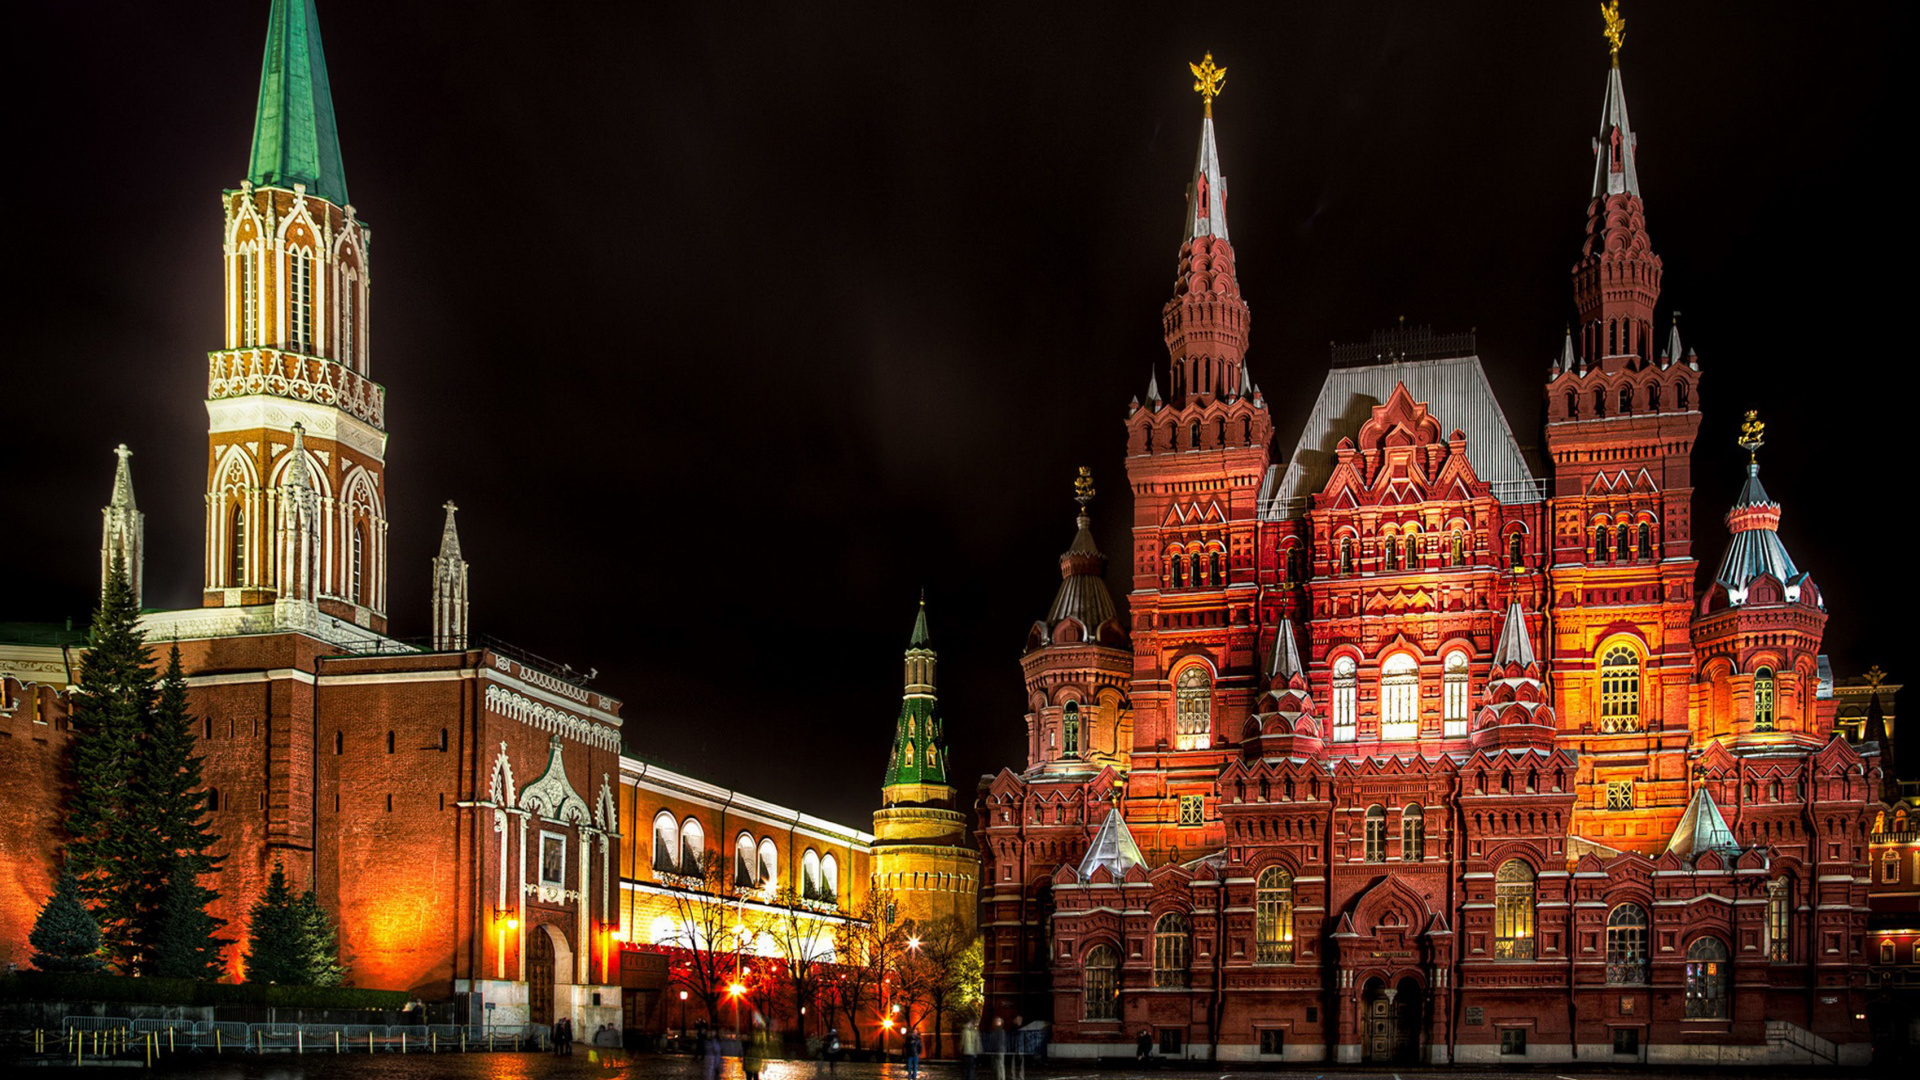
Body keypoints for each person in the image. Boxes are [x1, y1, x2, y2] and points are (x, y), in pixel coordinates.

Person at [1009, 1016, 1026, 1080]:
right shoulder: (1013, 1029)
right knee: (1013, 1064)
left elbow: (1025, 1039)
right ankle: (1013, 1077)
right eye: (1017, 1019)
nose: (1018, 1021)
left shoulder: (1023, 1029)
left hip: (1021, 1048)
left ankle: (1021, 1077)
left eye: (1020, 1020)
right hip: (1013, 1048)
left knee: (1021, 1064)